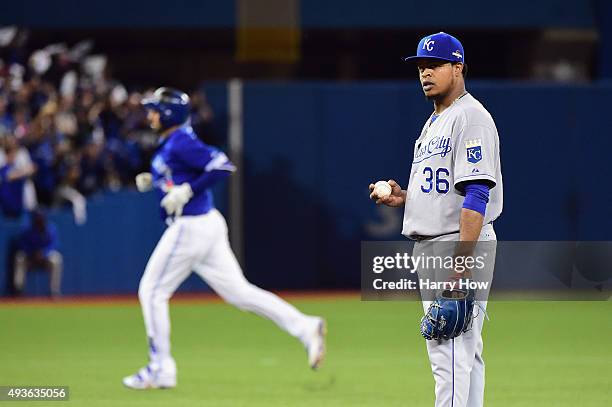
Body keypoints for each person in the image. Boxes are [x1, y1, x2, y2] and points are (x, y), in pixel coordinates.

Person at [123, 88, 326, 390]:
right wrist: (156, 182)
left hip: (191, 227)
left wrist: (188, 189)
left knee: (152, 291)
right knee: (240, 294)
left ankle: (160, 368)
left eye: (154, 109)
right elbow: (179, 175)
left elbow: (221, 164)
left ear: (168, 113)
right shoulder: (172, 142)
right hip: (205, 225)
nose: (149, 114)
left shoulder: (180, 140)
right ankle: (305, 327)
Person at [369, 32, 503, 407]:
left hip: (455, 246)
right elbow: (447, 193)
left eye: (435, 65)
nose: (425, 73)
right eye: (421, 66)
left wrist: (461, 264)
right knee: (465, 353)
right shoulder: (435, 121)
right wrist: (406, 198)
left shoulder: (471, 116)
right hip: (435, 244)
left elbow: (478, 193)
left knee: (449, 352)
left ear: (457, 67)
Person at [13, 209, 63, 297]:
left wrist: (43, 253)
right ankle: (18, 289)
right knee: (19, 257)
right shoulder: (27, 230)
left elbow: (54, 245)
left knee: (57, 259)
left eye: (41, 219)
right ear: (34, 220)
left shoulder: (50, 229)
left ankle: (54, 291)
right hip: (30, 257)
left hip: (45, 258)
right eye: (38, 219)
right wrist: (31, 252)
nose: (40, 221)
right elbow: (21, 244)